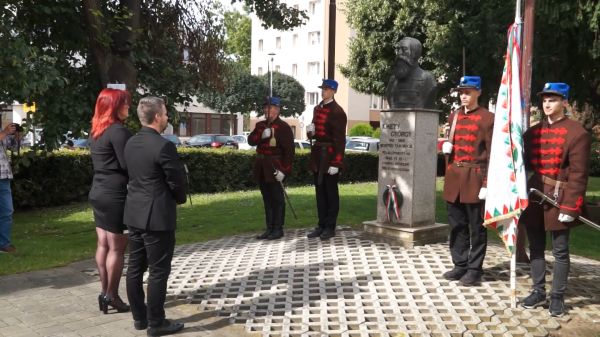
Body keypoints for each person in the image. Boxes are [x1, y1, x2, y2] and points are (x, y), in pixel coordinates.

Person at [519, 83, 591, 317]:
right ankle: (538, 290)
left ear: (565, 103)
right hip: (534, 195)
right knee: (536, 247)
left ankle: (558, 297)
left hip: (560, 198)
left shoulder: (577, 132)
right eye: (545, 100)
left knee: (560, 250)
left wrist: (571, 205)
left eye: (553, 99)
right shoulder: (532, 133)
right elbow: (522, 166)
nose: (547, 104)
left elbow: (579, 174)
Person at [124, 97, 187, 336]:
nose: (168, 118)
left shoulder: (130, 143)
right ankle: (156, 322)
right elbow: (176, 181)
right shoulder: (163, 146)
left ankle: (139, 318)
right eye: (166, 114)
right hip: (157, 216)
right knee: (159, 271)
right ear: (157, 116)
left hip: (134, 213)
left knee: (134, 268)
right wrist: (179, 198)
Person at [441, 76, 494, 286]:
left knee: (477, 228)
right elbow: (452, 148)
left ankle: (474, 269)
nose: (464, 96)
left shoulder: (488, 118)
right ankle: (460, 264)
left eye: (468, 92)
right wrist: (445, 148)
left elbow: (492, 155)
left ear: (478, 93)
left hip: (475, 178)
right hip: (455, 178)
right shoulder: (453, 116)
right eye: (461, 92)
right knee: (456, 225)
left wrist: (487, 184)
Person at [89, 88, 132, 313]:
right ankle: (112, 296)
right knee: (117, 249)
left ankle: (105, 292)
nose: (128, 107)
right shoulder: (119, 132)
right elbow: (128, 165)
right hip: (116, 194)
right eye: (124, 103)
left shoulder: (96, 130)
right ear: (114, 106)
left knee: (103, 244)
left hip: (98, 192)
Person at [248, 96, 295, 240]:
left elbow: (289, 152)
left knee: (277, 199)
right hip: (262, 166)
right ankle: (269, 228)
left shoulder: (284, 127)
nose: (268, 111)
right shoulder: (260, 125)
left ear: (277, 110)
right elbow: (251, 141)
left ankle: (278, 228)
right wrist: (262, 136)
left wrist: (284, 170)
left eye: (271, 108)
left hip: (276, 167)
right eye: (266, 108)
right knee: (267, 199)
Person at [306, 79, 347, 240]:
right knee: (319, 192)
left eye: (327, 89)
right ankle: (321, 224)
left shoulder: (337, 111)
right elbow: (315, 133)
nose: (323, 91)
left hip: (330, 155)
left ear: (334, 92)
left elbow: (340, 140)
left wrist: (337, 162)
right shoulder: (317, 108)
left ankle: (330, 227)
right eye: (323, 89)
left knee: (330, 192)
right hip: (318, 154)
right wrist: (311, 132)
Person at [385, 37, 437, 109]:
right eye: (398, 50)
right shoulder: (392, 81)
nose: (399, 54)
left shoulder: (427, 79)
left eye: (404, 49)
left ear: (415, 53)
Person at [0, 122, 21, 253]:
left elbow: (10, 147)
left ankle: (4, 244)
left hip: (4, 176)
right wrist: (5, 133)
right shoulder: (3, 132)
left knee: (7, 211)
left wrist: (17, 138)